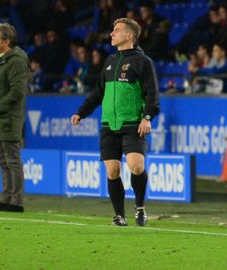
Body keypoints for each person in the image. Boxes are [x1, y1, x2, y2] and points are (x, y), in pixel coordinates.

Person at [70, 18, 160, 227]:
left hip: (132, 123)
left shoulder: (143, 62)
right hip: (109, 125)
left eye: (116, 30)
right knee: (112, 171)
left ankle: (140, 208)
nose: (111, 34)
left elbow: (152, 94)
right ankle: (119, 216)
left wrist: (147, 118)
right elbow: (98, 93)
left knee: (136, 167)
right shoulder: (110, 61)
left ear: (129, 35)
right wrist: (81, 113)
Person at [0, 23, 29, 213]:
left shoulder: (16, 60)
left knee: (12, 160)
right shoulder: (0, 59)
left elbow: (17, 91)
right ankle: (6, 198)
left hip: (7, 118)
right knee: (3, 161)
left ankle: (16, 201)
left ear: (6, 41)